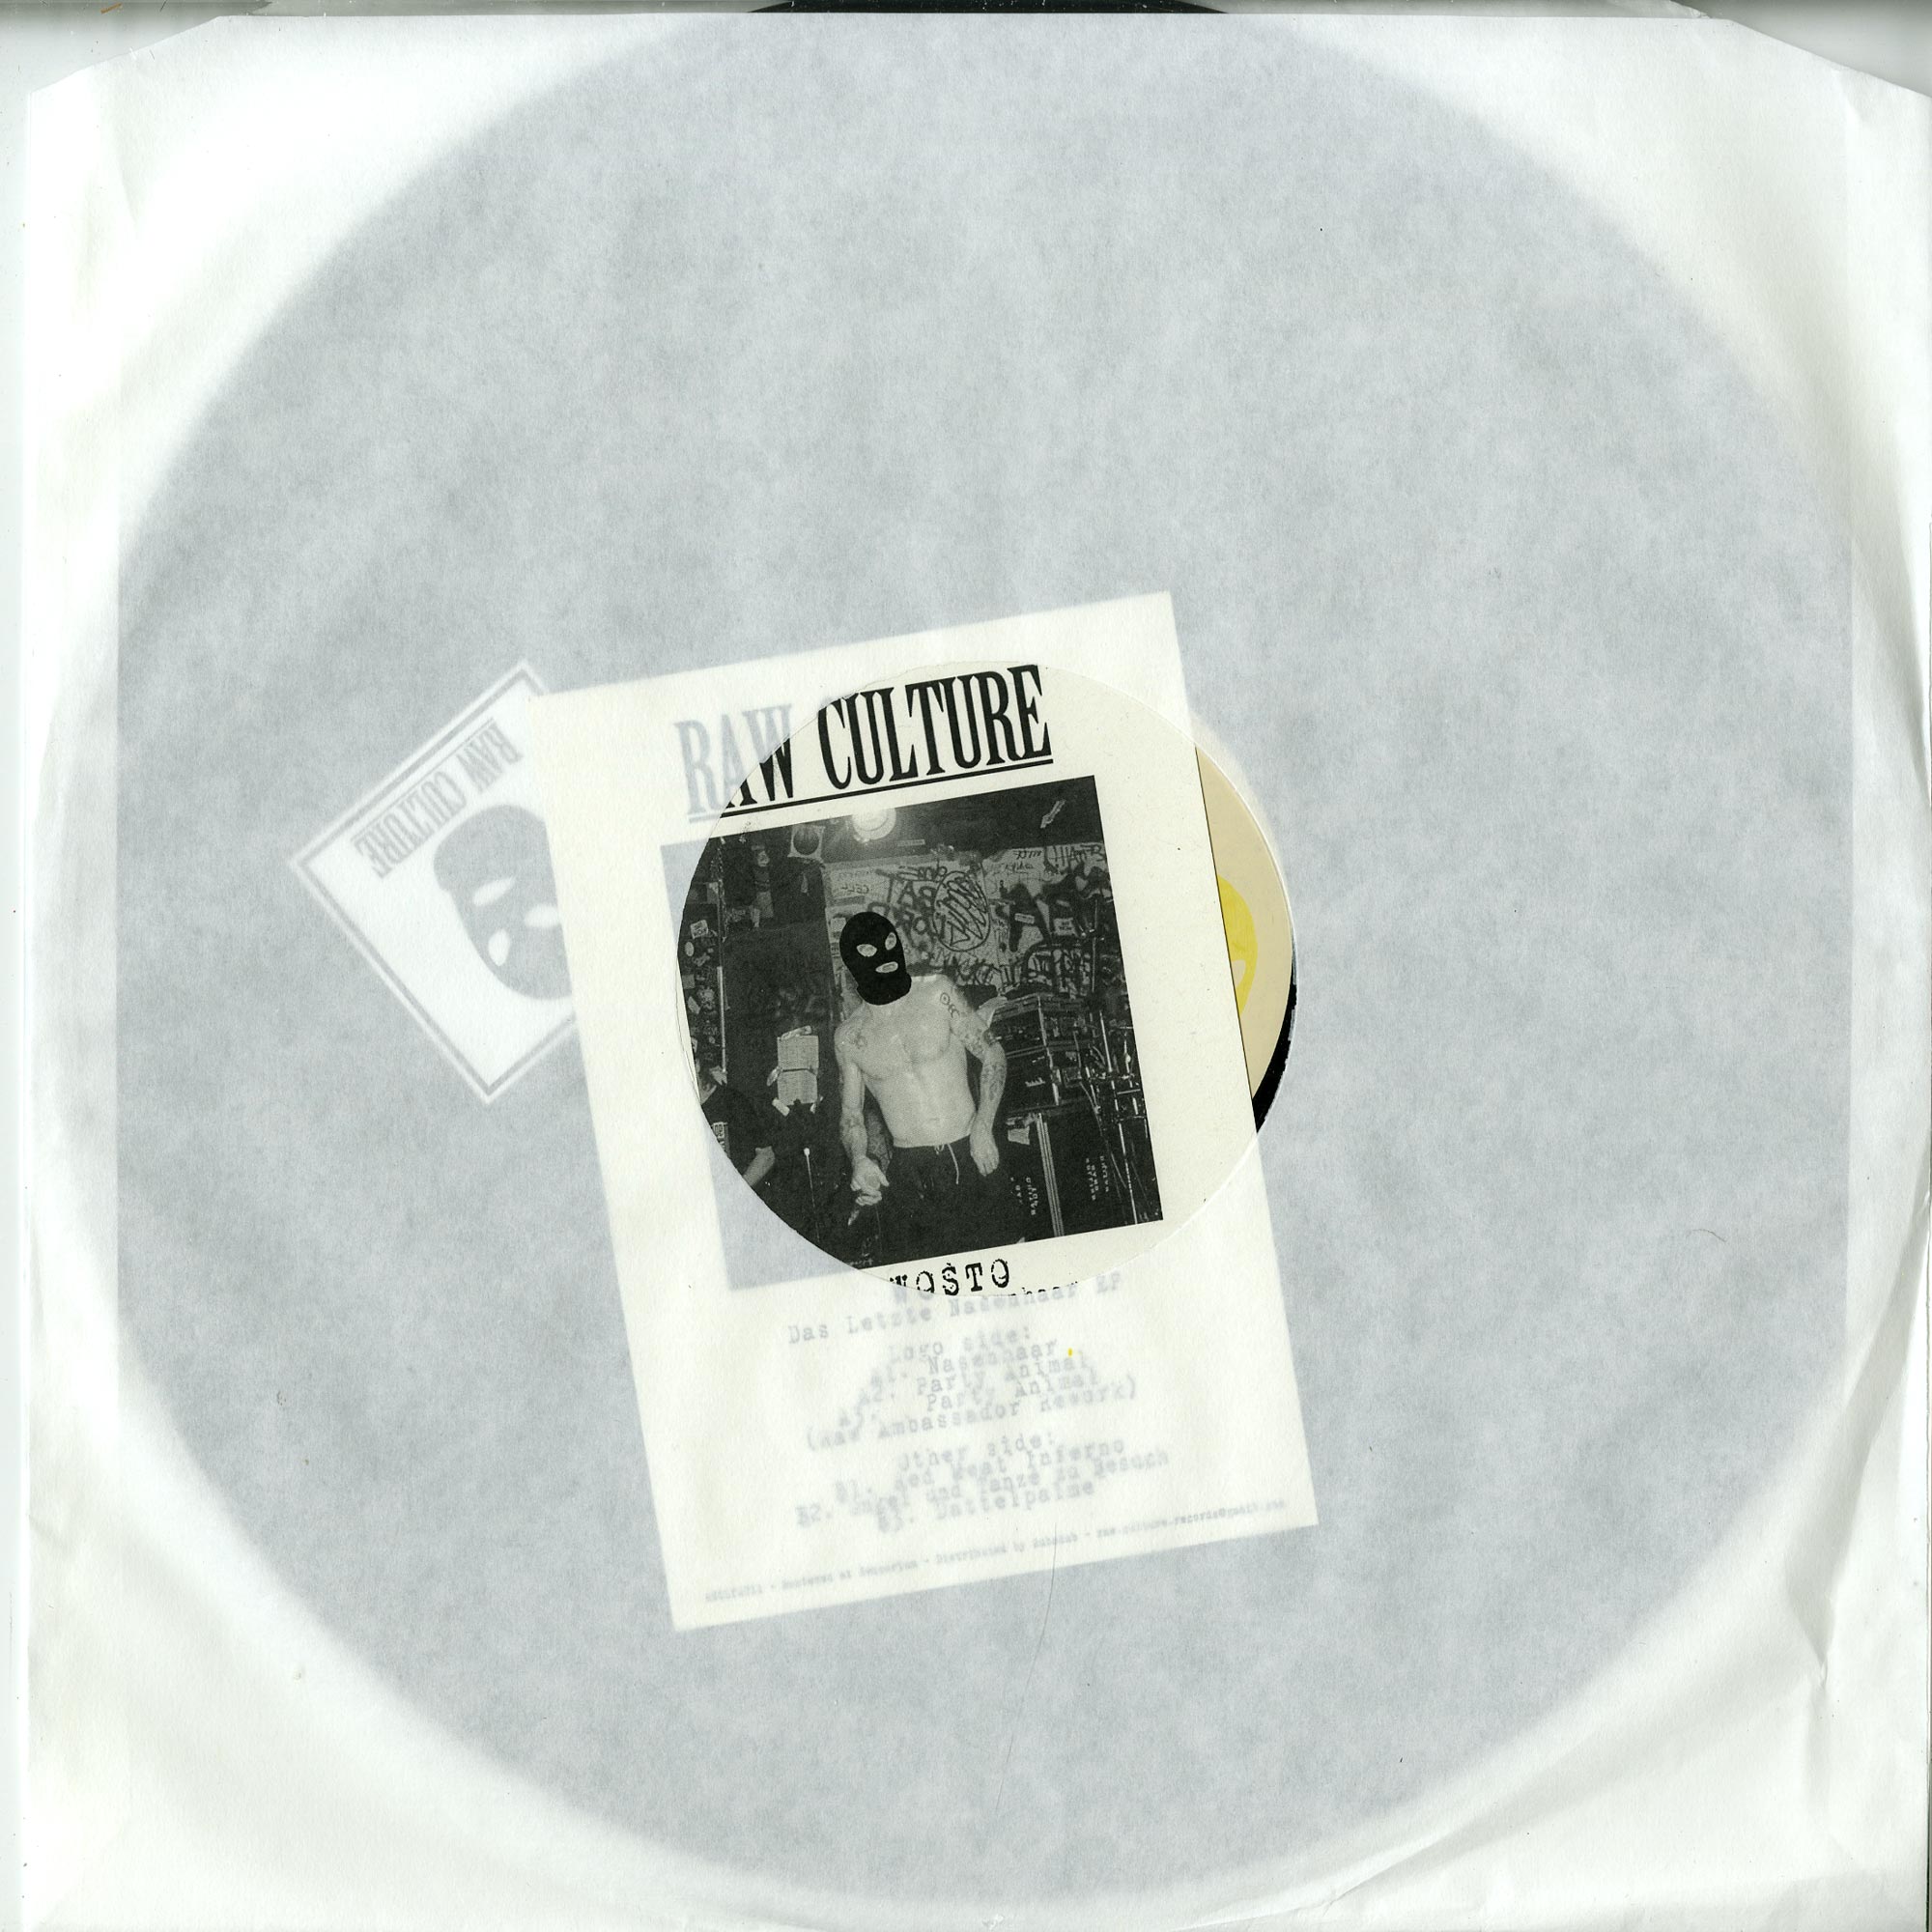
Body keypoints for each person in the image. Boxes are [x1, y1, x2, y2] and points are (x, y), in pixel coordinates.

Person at [833, 909, 1014, 1264]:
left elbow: (993, 1054)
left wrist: (983, 1125)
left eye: (890, 942)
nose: (885, 955)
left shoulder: (937, 992)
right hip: (911, 1169)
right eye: (870, 951)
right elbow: (851, 1115)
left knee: (1009, 1263)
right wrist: (859, 1159)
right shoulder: (849, 1038)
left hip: (972, 1148)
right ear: (854, 964)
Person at [696, 1065, 775, 1192]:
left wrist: (738, 1191)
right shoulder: (679, 1111)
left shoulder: (732, 1101)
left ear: (697, 1065)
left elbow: (766, 1155)